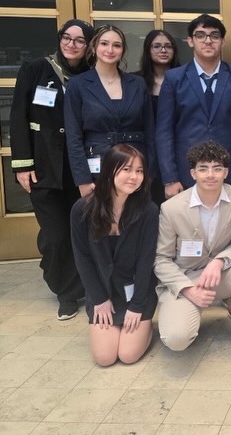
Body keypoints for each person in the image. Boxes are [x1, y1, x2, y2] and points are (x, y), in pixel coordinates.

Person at [10, 18, 95, 320]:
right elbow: (18, 116)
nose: (72, 44)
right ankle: (65, 292)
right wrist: (22, 164)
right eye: (66, 38)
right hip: (44, 168)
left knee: (79, 233)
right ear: (59, 39)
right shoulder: (35, 69)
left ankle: (75, 285)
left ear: (88, 46)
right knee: (55, 235)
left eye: (80, 40)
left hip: (79, 170)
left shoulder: (91, 75)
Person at [154, 141, 231, 356]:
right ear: (193, 173)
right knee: (176, 339)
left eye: (217, 168)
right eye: (203, 169)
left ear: (226, 172)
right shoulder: (171, 208)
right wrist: (188, 290)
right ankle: (188, 311)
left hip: (221, 273)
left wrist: (220, 261)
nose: (210, 175)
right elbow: (161, 259)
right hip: (186, 277)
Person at [70, 144, 158, 367]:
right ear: (109, 170)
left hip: (136, 291)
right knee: (105, 358)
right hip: (102, 290)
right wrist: (99, 299)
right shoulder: (82, 209)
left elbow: (146, 262)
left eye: (139, 171)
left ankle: (147, 328)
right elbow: (83, 258)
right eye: (127, 169)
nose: (134, 176)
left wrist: (137, 305)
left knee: (128, 355)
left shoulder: (148, 211)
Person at [157, 14, 231, 201]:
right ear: (190, 41)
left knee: (230, 220)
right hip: (186, 172)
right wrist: (170, 178)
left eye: (214, 36)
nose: (208, 41)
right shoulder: (174, 79)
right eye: (201, 35)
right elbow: (164, 131)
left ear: (222, 41)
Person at [64, 24, 156, 199]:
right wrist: (82, 180)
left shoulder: (137, 83)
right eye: (104, 43)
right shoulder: (78, 85)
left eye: (117, 45)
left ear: (123, 50)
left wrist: (150, 172)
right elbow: (73, 137)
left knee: (137, 214)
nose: (110, 50)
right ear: (94, 47)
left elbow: (150, 131)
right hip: (98, 168)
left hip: (135, 168)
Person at [135, 29, 180, 204]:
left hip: (174, 152)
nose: (163, 50)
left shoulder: (183, 80)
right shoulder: (135, 81)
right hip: (143, 153)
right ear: (148, 49)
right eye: (157, 46)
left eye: (168, 46)